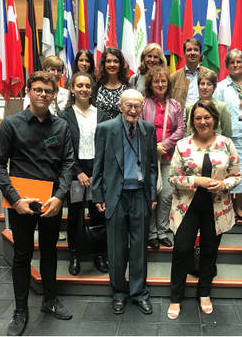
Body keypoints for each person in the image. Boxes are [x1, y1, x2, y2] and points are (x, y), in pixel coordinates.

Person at [0, 71, 75, 336]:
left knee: (49, 253)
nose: (43, 94)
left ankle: (49, 301)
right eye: (38, 89)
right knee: (22, 256)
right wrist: (15, 199)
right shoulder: (11, 124)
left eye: (48, 91)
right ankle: (20, 311)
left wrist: (60, 196)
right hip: (22, 203)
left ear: (54, 95)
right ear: (28, 90)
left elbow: (68, 163)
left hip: (51, 201)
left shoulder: (61, 126)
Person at [167, 100, 241, 320]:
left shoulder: (227, 144)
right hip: (186, 207)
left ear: (215, 119)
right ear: (192, 121)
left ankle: (204, 292)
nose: (202, 121)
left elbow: (237, 176)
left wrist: (224, 185)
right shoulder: (183, 145)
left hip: (216, 208)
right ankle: (175, 297)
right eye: (198, 118)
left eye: (207, 117)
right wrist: (196, 180)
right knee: (181, 250)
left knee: (209, 251)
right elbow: (172, 178)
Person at [92, 89, 157, 315]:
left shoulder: (148, 130)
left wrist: (152, 196)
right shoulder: (105, 129)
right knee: (117, 248)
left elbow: (151, 167)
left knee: (139, 248)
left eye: (137, 106)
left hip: (140, 194)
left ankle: (139, 293)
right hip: (115, 196)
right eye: (128, 105)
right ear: (120, 106)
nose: (133, 110)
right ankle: (119, 293)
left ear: (142, 108)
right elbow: (97, 165)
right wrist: (97, 195)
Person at [57, 72, 109, 276]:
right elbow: (64, 147)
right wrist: (77, 172)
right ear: (72, 88)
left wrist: (99, 172)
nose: (84, 89)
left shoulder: (102, 114)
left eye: (88, 85)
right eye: (80, 85)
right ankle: (75, 254)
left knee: (99, 214)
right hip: (75, 172)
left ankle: (99, 254)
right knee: (75, 215)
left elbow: (106, 145)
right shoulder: (64, 115)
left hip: (97, 170)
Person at [141, 67, 185, 249]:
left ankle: (162, 231)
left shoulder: (175, 105)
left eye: (163, 81)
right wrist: (153, 148)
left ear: (168, 83)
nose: (160, 84)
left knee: (166, 195)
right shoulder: (143, 103)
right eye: (156, 81)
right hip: (147, 158)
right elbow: (139, 128)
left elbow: (181, 129)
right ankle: (151, 234)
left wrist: (165, 145)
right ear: (150, 84)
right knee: (151, 196)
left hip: (168, 157)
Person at [214, 49, 242, 224]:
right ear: (227, 66)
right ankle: (226, 209)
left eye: (239, 62)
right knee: (227, 174)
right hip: (229, 137)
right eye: (232, 63)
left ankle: (238, 207)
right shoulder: (220, 87)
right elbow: (216, 111)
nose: (235, 65)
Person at [185, 69, 232, 138]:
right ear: (198, 86)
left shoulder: (222, 107)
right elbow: (189, 132)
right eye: (202, 84)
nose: (205, 87)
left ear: (214, 87)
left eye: (209, 84)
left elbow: (227, 134)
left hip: (216, 147)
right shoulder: (190, 107)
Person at [92, 47, 130, 119]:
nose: (112, 65)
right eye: (108, 61)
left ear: (121, 64)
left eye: (116, 61)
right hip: (100, 128)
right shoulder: (96, 88)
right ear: (104, 64)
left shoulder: (128, 88)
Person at [170, 38, 208, 109]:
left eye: (196, 50)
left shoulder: (209, 75)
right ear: (184, 53)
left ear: (200, 53)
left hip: (203, 118)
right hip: (181, 119)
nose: (192, 53)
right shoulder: (174, 77)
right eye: (189, 50)